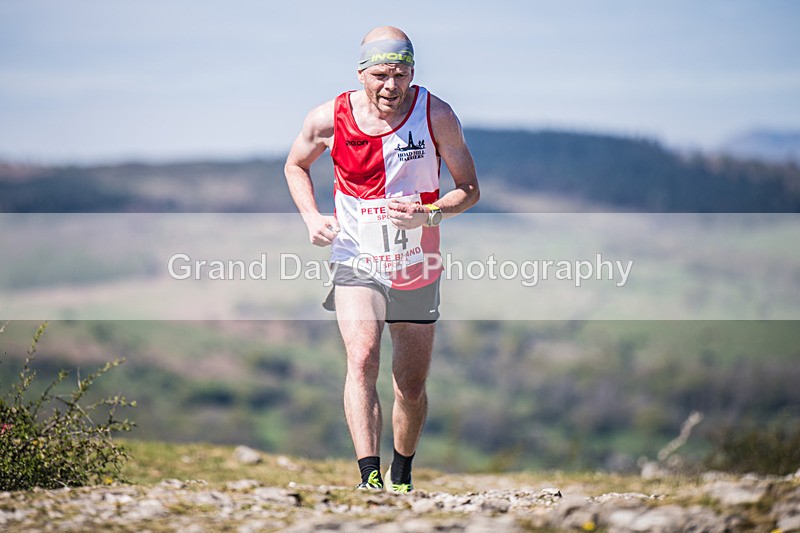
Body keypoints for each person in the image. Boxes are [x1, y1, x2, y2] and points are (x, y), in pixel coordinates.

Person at [284, 26, 479, 492]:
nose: (392, 86)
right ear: (361, 74)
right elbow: (295, 164)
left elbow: (470, 190)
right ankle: (369, 479)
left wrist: (428, 212)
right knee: (363, 356)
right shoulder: (329, 117)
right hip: (356, 258)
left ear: (413, 72)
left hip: (416, 263)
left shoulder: (437, 114)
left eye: (402, 74)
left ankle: (402, 472)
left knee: (409, 385)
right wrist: (311, 218)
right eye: (381, 76)